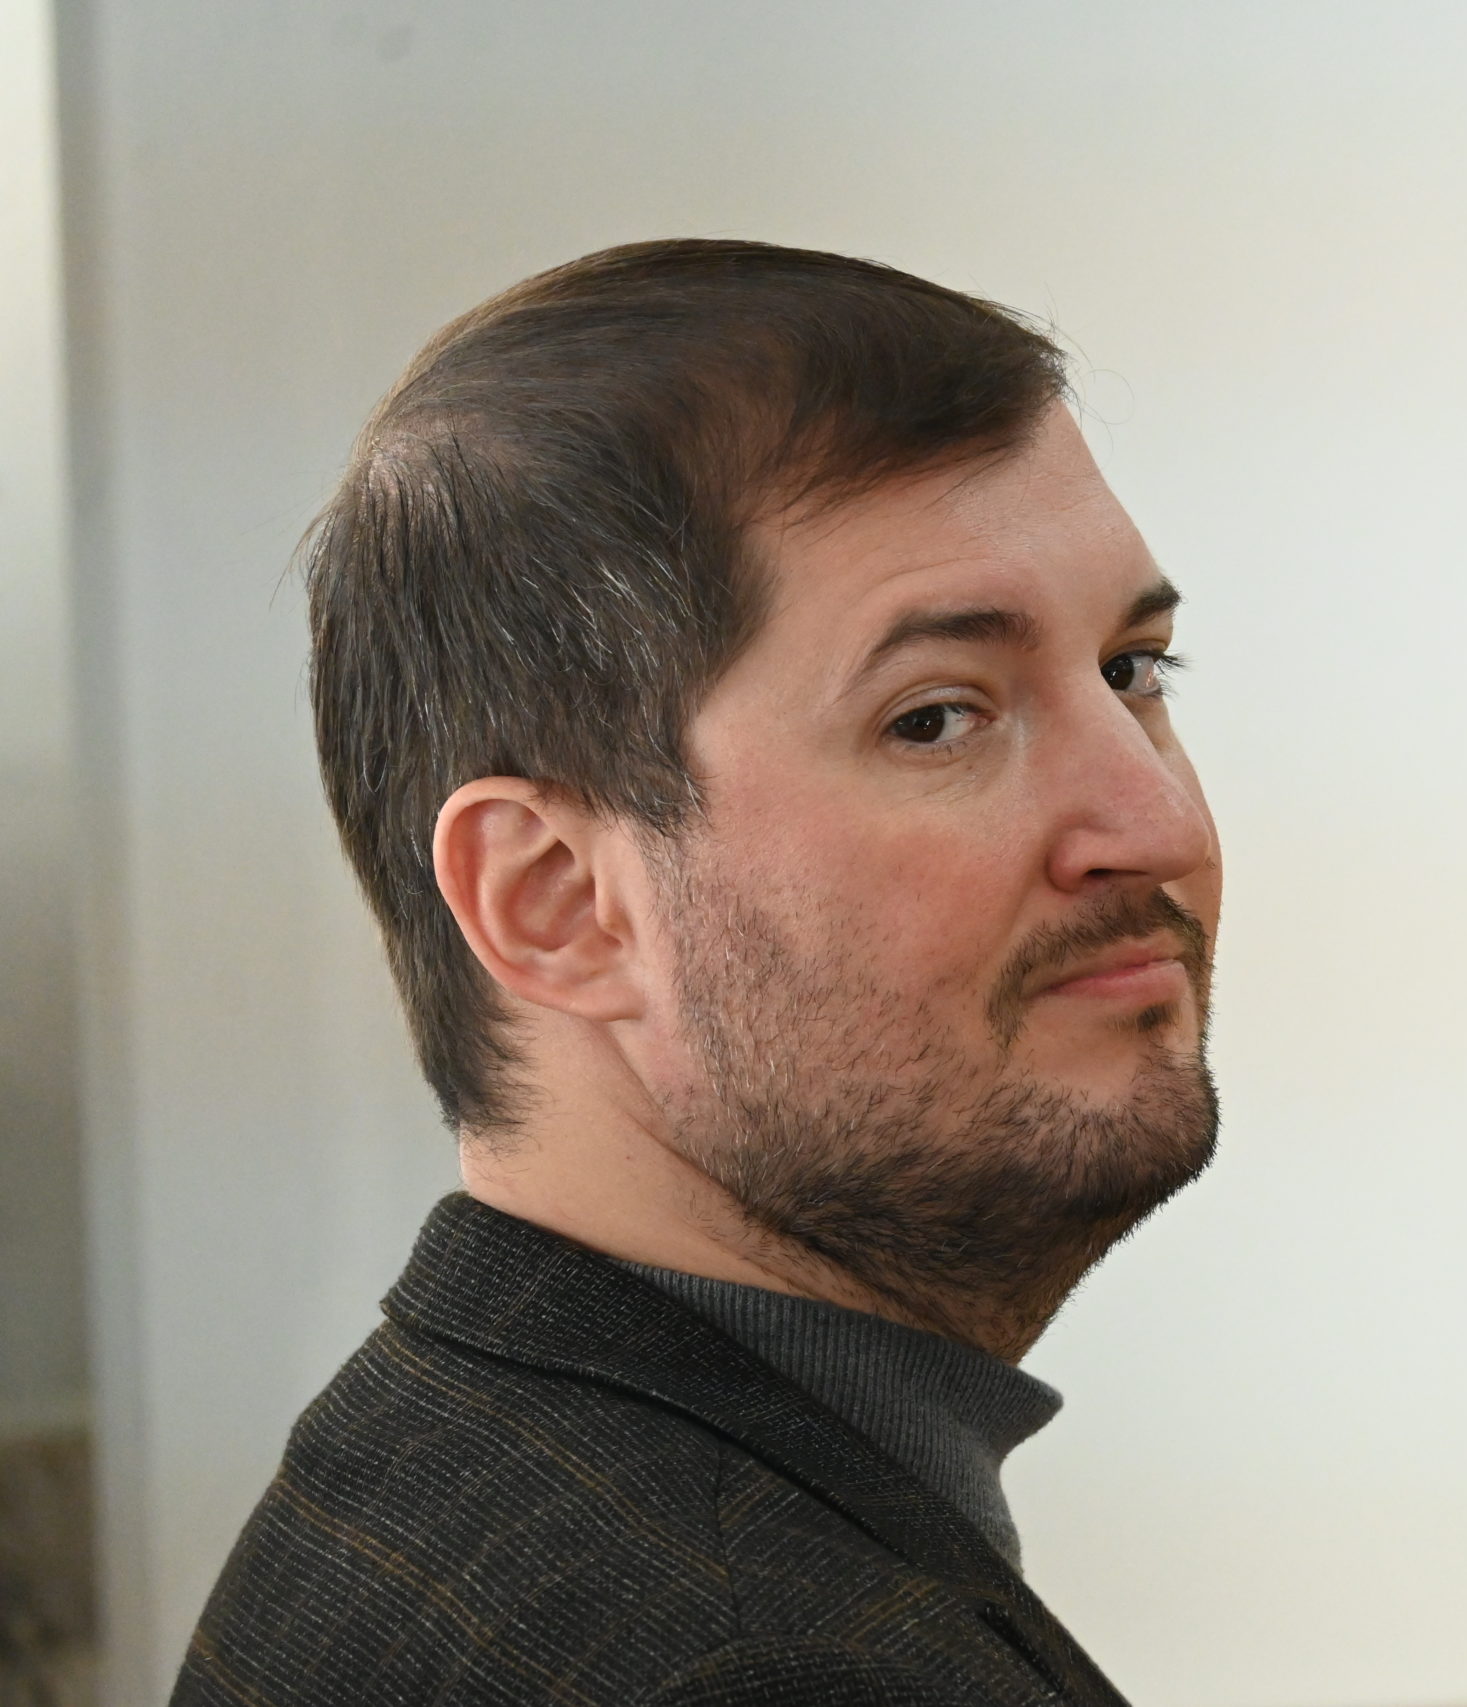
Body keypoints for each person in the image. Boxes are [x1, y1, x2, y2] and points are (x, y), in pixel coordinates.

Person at [174, 239, 1221, 1707]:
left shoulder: (445, 1473)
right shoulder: (764, 1667)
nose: (1158, 826)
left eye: (1131, 672)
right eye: (935, 717)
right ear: (558, 904)